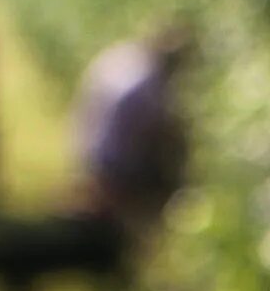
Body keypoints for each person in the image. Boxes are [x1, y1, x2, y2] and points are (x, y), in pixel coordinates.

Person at [69, 23, 193, 238]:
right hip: (113, 165)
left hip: (83, 146)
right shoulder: (147, 84)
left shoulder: (122, 55)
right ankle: (152, 229)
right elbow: (160, 134)